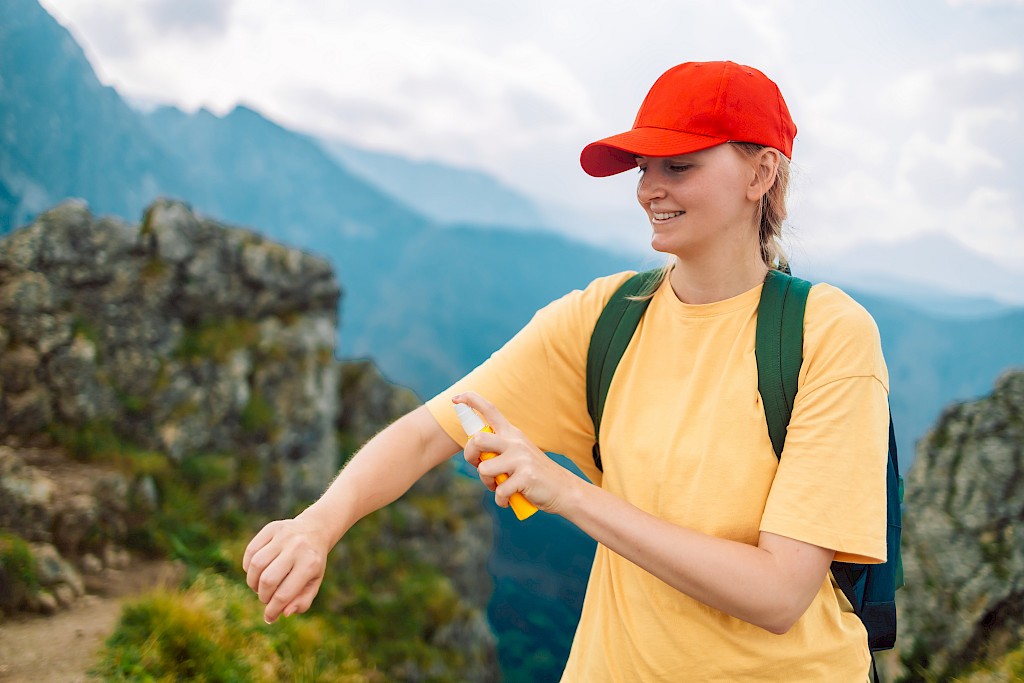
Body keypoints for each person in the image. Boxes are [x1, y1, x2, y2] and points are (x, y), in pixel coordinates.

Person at [243, 61, 889, 681]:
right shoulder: (604, 320)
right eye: (643, 166)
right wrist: (317, 525)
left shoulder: (825, 336)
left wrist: (569, 492)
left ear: (761, 174)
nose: (648, 189)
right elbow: (431, 427)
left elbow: (780, 592)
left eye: (679, 165)